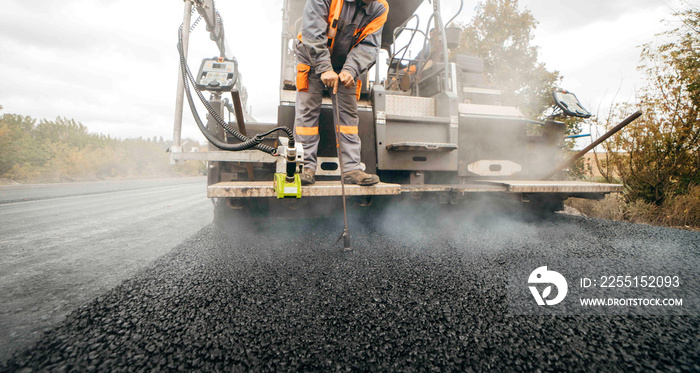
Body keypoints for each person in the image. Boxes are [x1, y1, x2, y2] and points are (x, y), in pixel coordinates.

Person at [293, 0, 389, 186]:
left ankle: (351, 169)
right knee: (307, 113)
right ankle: (305, 167)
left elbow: (369, 46)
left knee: (348, 118)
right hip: (311, 56)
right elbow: (312, 30)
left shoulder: (380, 7)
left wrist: (350, 71)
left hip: (344, 63)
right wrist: (324, 67)